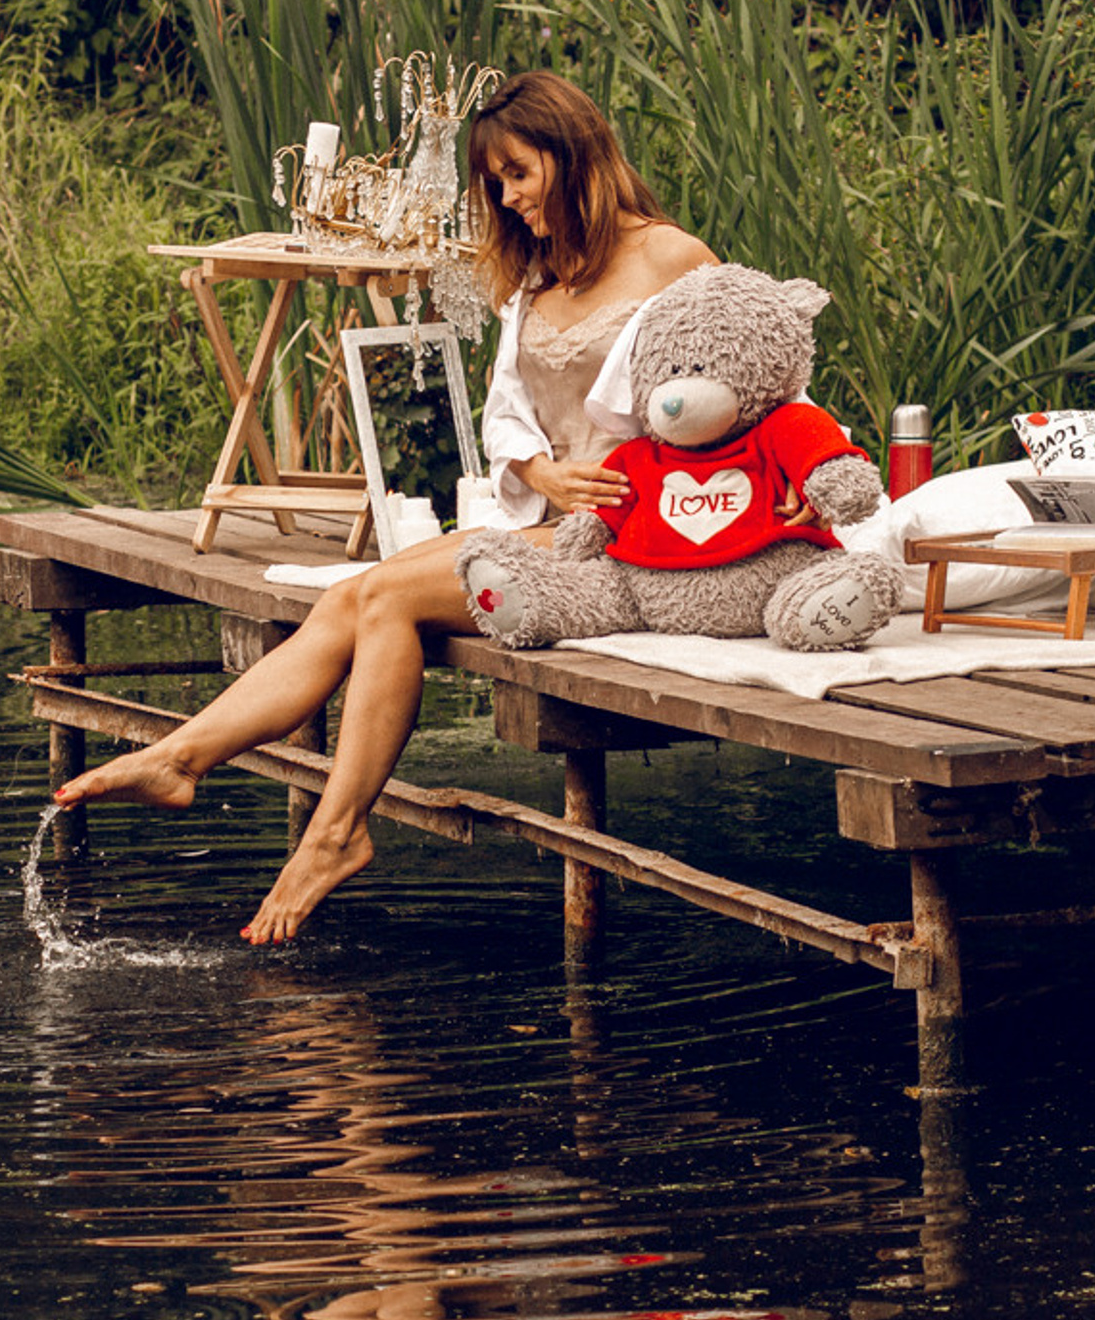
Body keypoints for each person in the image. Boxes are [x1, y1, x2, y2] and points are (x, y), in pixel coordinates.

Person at [52, 70, 716, 943]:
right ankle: (184, 758)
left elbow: (735, 391)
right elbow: (508, 414)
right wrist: (541, 470)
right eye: (495, 185)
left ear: (573, 151)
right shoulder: (537, 280)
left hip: (639, 536)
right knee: (353, 596)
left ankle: (331, 830)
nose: (508, 200)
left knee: (389, 598)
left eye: (518, 174)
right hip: (556, 523)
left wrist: (638, 472)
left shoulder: (674, 258)